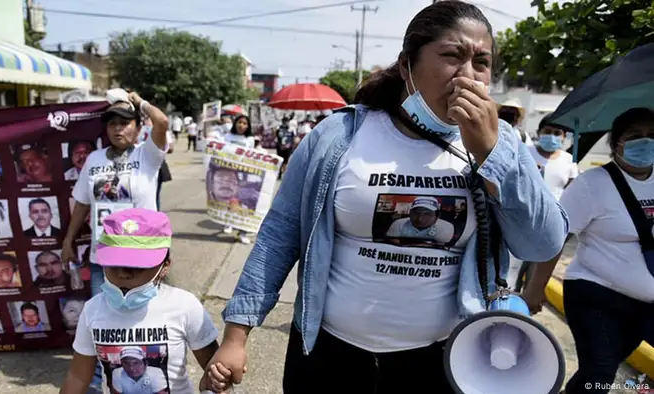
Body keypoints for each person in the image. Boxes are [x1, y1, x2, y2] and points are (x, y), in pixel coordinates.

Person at [201, 2, 568, 392]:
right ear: (407, 64)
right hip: (330, 354)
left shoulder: (503, 144)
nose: (467, 75)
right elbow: (280, 234)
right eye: (451, 56)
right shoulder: (339, 135)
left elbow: (542, 242)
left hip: (440, 358)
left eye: (481, 62)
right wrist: (236, 336)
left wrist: (491, 155)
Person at [523, 107, 654, 394]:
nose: (646, 142)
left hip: (645, 305)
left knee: (602, 367)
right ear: (616, 143)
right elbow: (555, 236)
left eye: (652, 135)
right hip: (596, 294)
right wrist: (536, 288)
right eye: (635, 136)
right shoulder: (592, 184)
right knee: (600, 372)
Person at [61, 89, 168, 394]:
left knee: (145, 319)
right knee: (100, 322)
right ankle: (95, 385)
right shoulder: (94, 159)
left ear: (138, 126)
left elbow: (161, 121)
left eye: (125, 122)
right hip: (103, 257)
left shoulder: (147, 154)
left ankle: (147, 380)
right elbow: (82, 202)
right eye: (111, 124)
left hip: (145, 255)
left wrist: (140, 102)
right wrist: (68, 239)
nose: (118, 129)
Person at [59, 209, 225, 394]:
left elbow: (216, 374)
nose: (123, 273)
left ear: (164, 266)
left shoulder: (185, 306)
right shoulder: (92, 310)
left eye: (136, 266)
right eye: (114, 265)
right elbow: (78, 377)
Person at [514, 114, 579, 291]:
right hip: (522, 220)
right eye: (547, 131)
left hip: (551, 224)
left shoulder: (569, 160)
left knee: (537, 268)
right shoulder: (525, 153)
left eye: (557, 133)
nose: (552, 136)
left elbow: (571, 190)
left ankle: (527, 301)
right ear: (539, 132)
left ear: (564, 137)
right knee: (514, 269)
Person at [221, 115, 256, 244]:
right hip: (229, 172)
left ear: (248, 126)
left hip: (244, 174)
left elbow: (252, 156)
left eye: (245, 123)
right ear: (235, 124)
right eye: (239, 122)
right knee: (230, 198)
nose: (242, 125)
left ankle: (243, 232)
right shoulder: (227, 137)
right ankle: (229, 222)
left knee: (244, 201)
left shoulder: (250, 139)